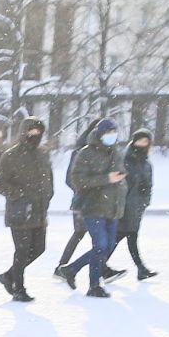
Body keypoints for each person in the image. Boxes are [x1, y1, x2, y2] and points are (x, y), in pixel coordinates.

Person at [53, 118, 129, 299]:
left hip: (112, 207)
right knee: (100, 245)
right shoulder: (85, 153)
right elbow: (77, 180)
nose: (112, 136)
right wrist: (106, 179)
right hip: (92, 206)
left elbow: (119, 176)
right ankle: (94, 285)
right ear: (100, 134)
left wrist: (121, 184)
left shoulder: (117, 152)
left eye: (114, 132)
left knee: (107, 246)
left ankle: (71, 269)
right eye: (109, 132)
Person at [0, 118, 53, 303]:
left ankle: (9, 276)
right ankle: (19, 288)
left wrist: (48, 196)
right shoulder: (11, 155)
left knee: (39, 248)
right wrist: (17, 194)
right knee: (22, 250)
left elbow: (48, 178)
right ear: (24, 132)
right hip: (20, 210)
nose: (35, 135)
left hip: (40, 210)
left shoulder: (42, 154)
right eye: (31, 131)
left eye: (38, 132)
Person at [103, 129, 157, 281]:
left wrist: (145, 202)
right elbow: (118, 183)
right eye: (140, 140)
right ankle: (97, 266)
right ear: (134, 141)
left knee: (126, 237)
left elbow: (149, 185)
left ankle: (140, 269)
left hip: (136, 207)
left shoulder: (146, 164)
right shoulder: (124, 159)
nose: (142, 144)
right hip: (122, 206)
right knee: (120, 237)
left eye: (145, 141)